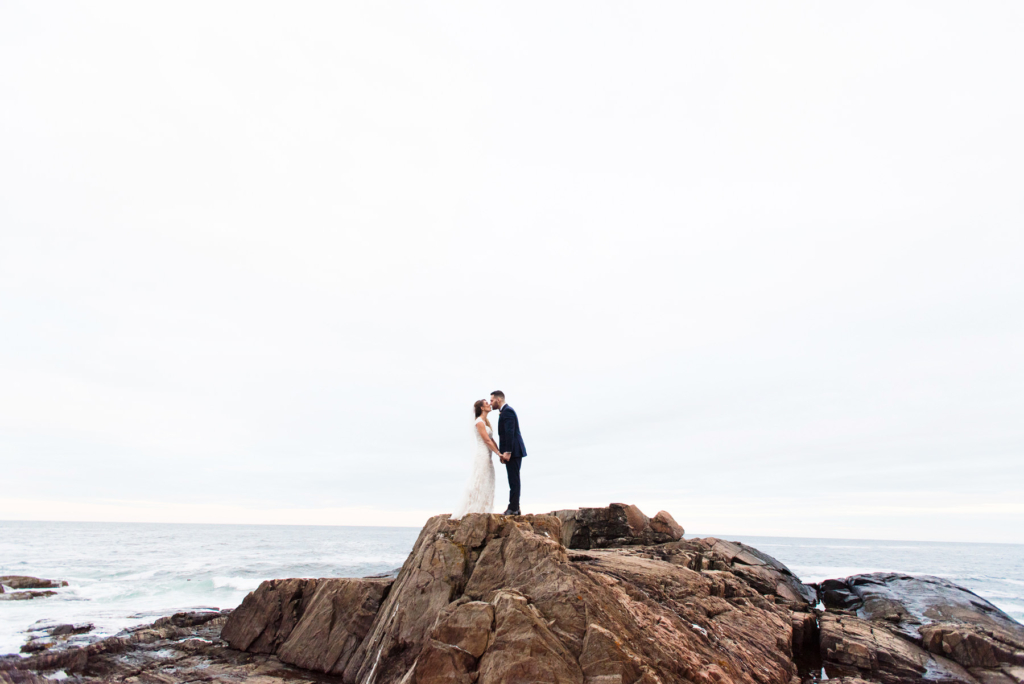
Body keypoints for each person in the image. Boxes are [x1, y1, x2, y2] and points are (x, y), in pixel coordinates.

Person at [452, 399, 503, 519]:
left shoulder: (486, 422)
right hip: (482, 455)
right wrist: (498, 453)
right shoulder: (479, 422)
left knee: (488, 480)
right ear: (481, 408)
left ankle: (484, 508)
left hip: (488, 456)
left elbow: (492, 439)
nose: (489, 405)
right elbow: (486, 440)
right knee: (480, 480)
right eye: (486, 404)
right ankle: (474, 509)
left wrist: (499, 452)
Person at [490, 390, 527, 515]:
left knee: (514, 479)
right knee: (512, 479)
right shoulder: (504, 412)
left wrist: (508, 452)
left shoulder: (508, 411)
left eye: (491, 400)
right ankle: (514, 506)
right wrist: (502, 453)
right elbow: (504, 435)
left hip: (514, 451)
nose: (490, 403)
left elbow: (510, 433)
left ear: (498, 400)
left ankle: (514, 508)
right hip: (511, 451)